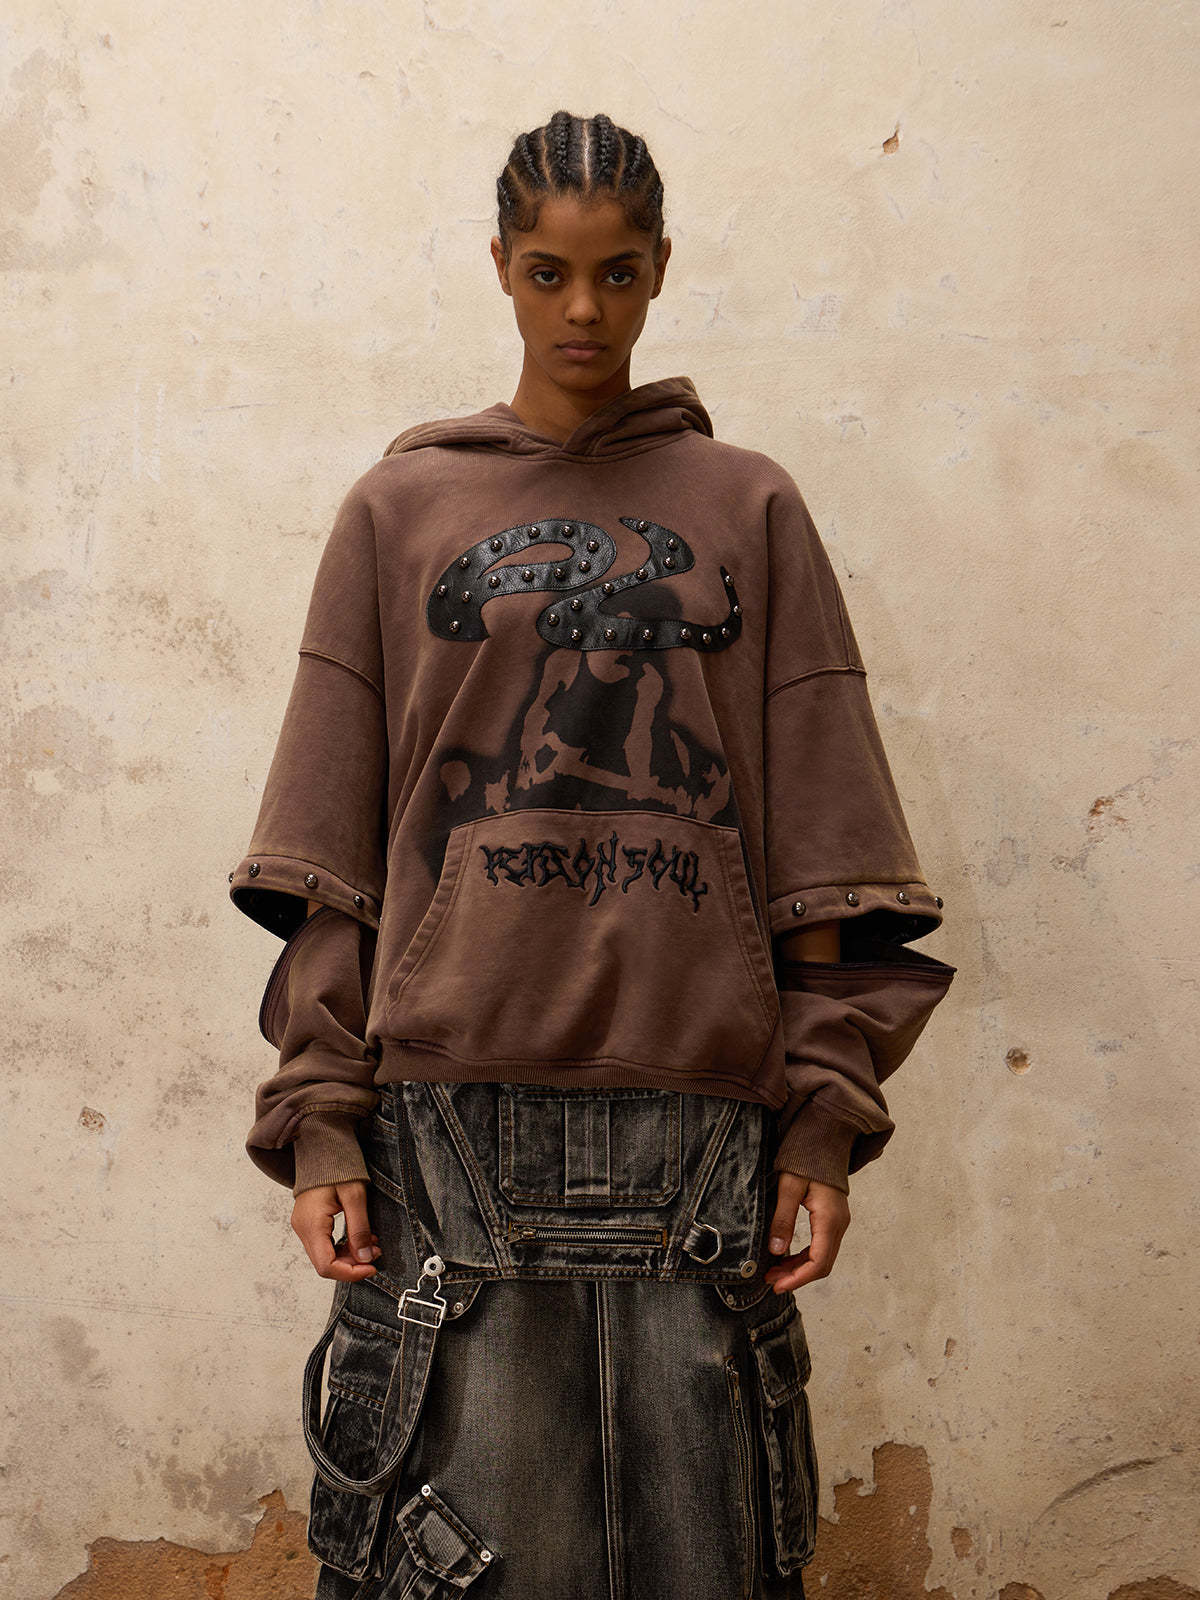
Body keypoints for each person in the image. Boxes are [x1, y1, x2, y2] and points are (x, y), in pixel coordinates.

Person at [228, 109, 956, 1599]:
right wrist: (322, 1124)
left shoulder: (748, 506)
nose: (583, 311)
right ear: (500, 265)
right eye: (549, 272)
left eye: (617, 273)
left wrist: (822, 1122)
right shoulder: (399, 512)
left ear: (661, 270)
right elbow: (332, 847)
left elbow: (820, 842)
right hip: (447, 1137)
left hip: (705, 1144)